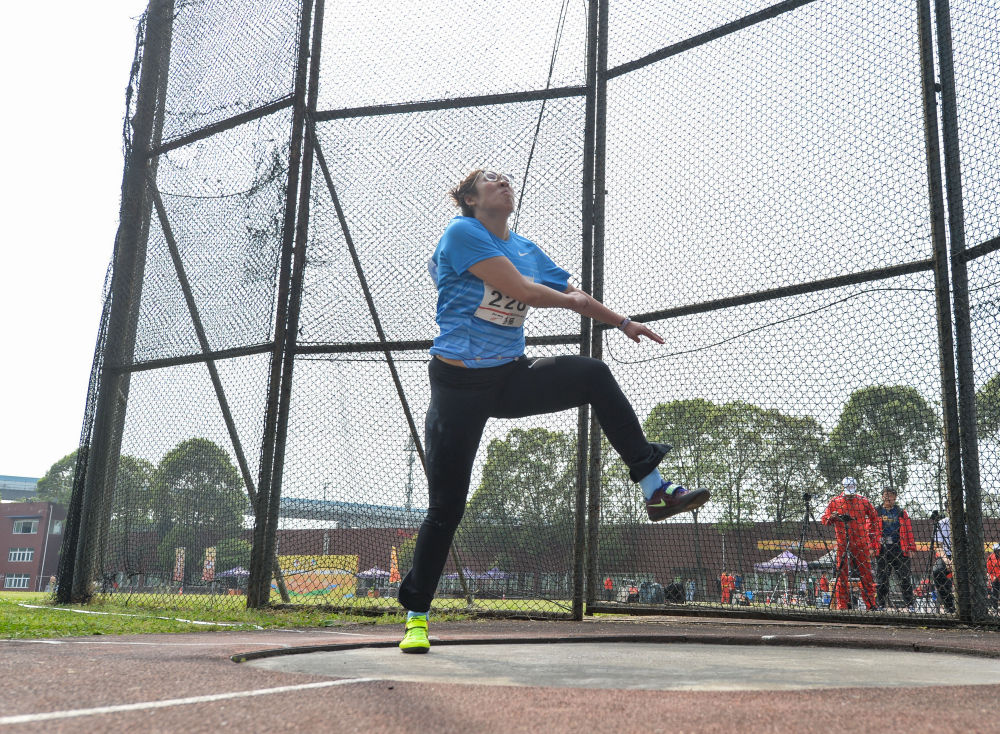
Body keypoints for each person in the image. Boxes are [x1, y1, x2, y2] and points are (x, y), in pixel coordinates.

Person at [397, 169, 711, 653]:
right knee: (446, 508)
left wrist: (623, 322)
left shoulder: (524, 248)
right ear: (469, 198)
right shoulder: (463, 233)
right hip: (457, 386)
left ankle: (654, 489)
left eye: (506, 179)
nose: (503, 184)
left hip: (508, 377)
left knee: (592, 374)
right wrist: (564, 301)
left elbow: (575, 294)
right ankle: (417, 615)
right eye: (490, 180)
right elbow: (524, 293)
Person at [821, 476, 879, 611]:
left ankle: (871, 604)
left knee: (866, 575)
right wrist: (832, 517)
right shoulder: (835, 502)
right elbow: (824, 520)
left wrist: (870, 537)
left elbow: (874, 518)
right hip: (843, 543)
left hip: (861, 543)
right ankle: (842, 605)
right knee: (842, 575)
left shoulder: (863, 501)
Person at [874, 487, 916, 611]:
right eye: (886, 495)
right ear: (882, 496)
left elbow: (908, 530)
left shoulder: (901, 512)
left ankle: (910, 604)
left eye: (891, 495)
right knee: (882, 578)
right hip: (882, 549)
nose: (888, 497)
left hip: (899, 548)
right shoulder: (876, 512)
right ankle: (881, 604)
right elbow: (869, 530)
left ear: (895, 497)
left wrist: (911, 547)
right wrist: (872, 547)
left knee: (904, 578)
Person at [987, 544, 1000, 611]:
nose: (999, 552)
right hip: (994, 578)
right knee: (995, 592)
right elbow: (989, 569)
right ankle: (994, 607)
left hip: (998, 577)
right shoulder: (991, 557)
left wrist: (997, 576)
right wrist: (992, 577)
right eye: (998, 550)